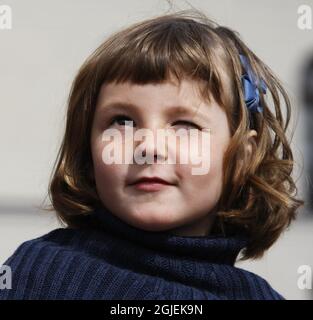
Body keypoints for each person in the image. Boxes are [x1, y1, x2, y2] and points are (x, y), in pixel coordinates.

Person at [0, 9, 304, 300]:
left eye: (184, 124)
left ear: (241, 158)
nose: (149, 147)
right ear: (88, 152)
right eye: (122, 122)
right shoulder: (39, 274)